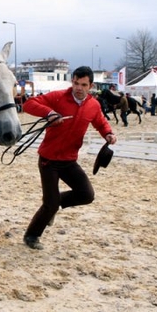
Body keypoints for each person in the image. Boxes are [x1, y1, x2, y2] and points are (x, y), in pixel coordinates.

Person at [21, 66, 117, 250]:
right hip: (48, 160)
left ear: (91, 86)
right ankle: (31, 236)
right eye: (75, 83)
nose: (78, 88)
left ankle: (54, 205)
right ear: (71, 81)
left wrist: (108, 134)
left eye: (83, 85)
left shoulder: (93, 105)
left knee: (86, 195)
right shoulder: (58, 97)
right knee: (50, 203)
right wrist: (49, 113)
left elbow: (100, 122)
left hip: (69, 160)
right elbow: (29, 104)